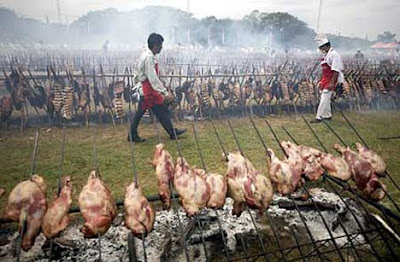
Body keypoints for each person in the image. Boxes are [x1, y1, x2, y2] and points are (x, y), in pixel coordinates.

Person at [128, 33, 186, 142]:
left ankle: (172, 132)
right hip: (148, 90)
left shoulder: (146, 55)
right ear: (155, 45)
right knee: (144, 112)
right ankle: (132, 134)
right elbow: (153, 77)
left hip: (148, 88)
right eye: (160, 45)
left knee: (160, 110)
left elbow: (138, 73)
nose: (161, 48)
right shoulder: (149, 57)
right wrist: (164, 92)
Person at [310, 35, 344, 123]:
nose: (321, 49)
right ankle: (327, 115)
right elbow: (324, 70)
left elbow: (336, 70)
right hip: (326, 78)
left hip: (332, 79)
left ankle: (318, 117)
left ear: (326, 46)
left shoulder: (334, 55)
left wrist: (332, 83)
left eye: (322, 47)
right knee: (325, 98)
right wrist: (322, 81)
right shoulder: (326, 55)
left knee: (324, 98)